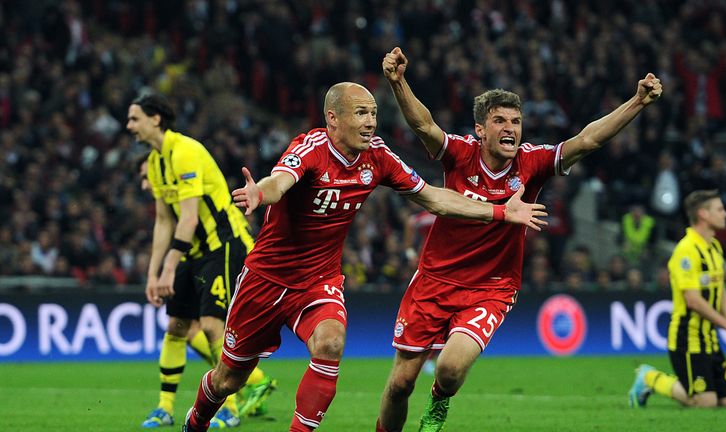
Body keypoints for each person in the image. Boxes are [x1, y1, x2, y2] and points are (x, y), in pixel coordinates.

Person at [181, 82, 548, 432]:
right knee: (229, 378)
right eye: (360, 113)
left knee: (331, 342)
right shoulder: (311, 148)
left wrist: (500, 212)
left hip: (318, 281)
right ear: (333, 119)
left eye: (373, 113)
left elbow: (434, 197)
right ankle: (196, 420)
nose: (371, 122)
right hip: (266, 279)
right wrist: (259, 195)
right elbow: (279, 182)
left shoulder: (379, 157)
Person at [377, 46, 663, 432]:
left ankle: (440, 402)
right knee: (399, 385)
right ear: (481, 129)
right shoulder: (460, 155)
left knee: (449, 367)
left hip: (491, 288)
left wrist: (637, 102)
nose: (510, 128)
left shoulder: (534, 163)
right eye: (499, 120)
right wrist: (398, 83)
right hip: (434, 280)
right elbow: (424, 126)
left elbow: (587, 140)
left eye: (516, 120)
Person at [127, 94, 275, 429]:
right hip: (192, 251)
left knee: (211, 326)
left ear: (155, 119)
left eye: (134, 118)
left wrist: (168, 268)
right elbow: (164, 221)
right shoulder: (154, 162)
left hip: (222, 245)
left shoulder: (185, 151)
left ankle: (230, 408)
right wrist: (153, 274)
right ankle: (164, 408)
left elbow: (189, 217)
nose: (129, 126)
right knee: (177, 327)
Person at [628, 190, 726, 409]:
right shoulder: (686, 250)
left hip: (709, 337)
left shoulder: (714, 247)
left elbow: (721, 293)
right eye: (720, 209)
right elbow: (693, 300)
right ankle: (649, 378)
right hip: (688, 337)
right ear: (703, 214)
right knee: (705, 403)